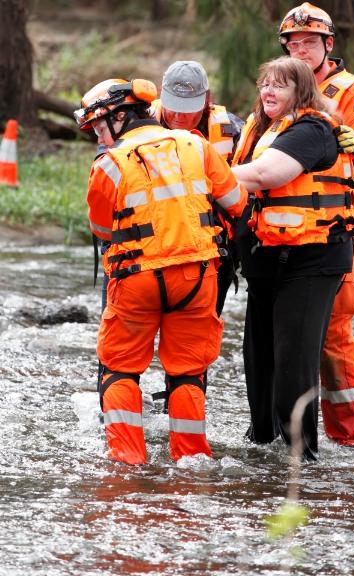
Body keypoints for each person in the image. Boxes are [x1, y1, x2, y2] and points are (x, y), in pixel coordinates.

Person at [74, 78, 247, 465]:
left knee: (119, 369)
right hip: (196, 277)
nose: (100, 138)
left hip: (136, 280)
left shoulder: (108, 164)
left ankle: (127, 462)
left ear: (120, 117)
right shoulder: (196, 144)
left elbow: (102, 231)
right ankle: (192, 463)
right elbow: (237, 203)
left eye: (100, 128)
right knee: (187, 373)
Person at [278, 2, 354, 447]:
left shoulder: (352, 92)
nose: (301, 49)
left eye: (309, 42)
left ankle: (348, 442)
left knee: (333, 337)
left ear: (328, 45)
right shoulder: (278, 87)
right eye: (293, 43)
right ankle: (288, 436)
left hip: (331, 235)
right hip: (281, 237)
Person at [231, 56, 354, 461]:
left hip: (311, 262)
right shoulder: (258, 129)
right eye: (265, 84)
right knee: (259, 367)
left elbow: (267, 175)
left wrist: (192, 173)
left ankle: (302, 462)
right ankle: (262, 453)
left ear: (300, 92)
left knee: (292, 368)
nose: (268, 92)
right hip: (266, 259)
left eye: (279, 86)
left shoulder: (313, 129)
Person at [151, 60, 244, 315]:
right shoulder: (136, 122)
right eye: (173, 106)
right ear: (161, 92)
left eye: (187, 108)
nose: (179, 116)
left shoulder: (234, 129)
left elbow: (252, 193)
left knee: (195, 345)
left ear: (206, 99)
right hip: (146, 250)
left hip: (212, 252)